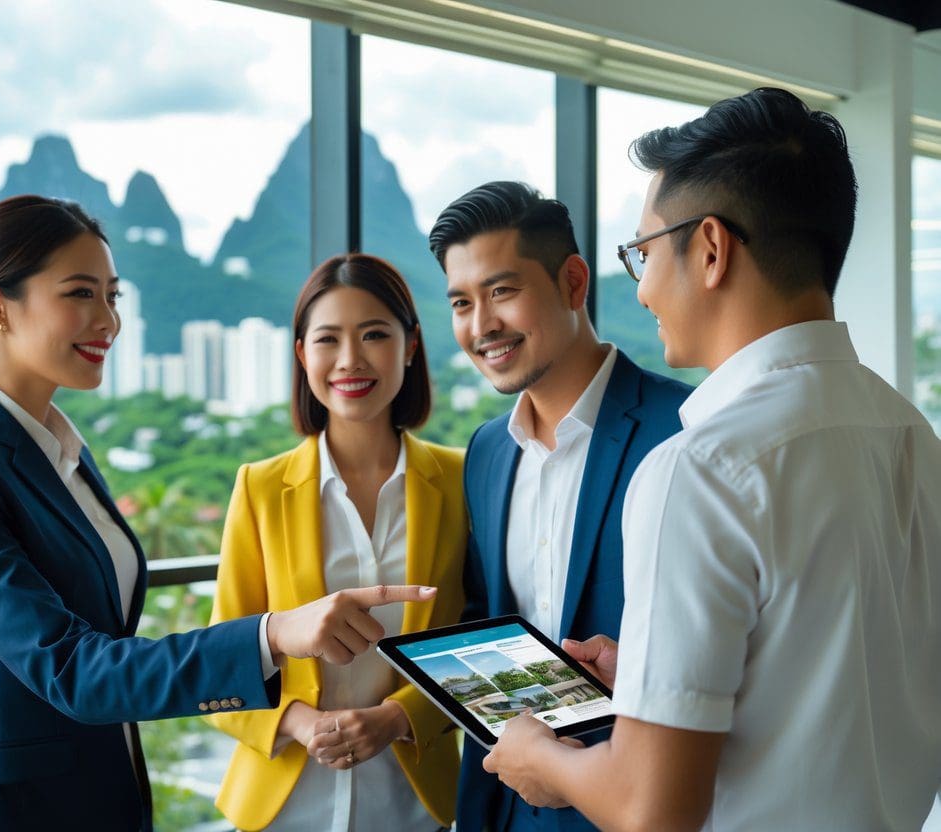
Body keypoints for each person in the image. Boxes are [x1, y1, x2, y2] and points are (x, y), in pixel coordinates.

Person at [0, 196, 436, 832]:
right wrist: (275, 633)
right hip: (3, 814)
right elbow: (72, 667)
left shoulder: (63, 456)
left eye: (113, 296)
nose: (107, 320)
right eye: (81, 293)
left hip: (100, 801)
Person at [481, 87, 941, 832]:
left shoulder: (699, 467)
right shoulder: (911, 438)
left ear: (709, 249)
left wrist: (543, 760)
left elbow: (650, 810)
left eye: (642, 253)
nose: (645, 290)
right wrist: (654, 676)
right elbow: (841, 684)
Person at [427, 181, 691, 832]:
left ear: (572, 282)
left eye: (501, 292)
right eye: (461, 302)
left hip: (637, 803)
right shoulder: (486, 451)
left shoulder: (683, 432)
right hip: (507, 804)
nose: (479, 325)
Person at [206, 253, 468, 831]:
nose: (351, 360)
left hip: (415, 806)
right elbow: (220, 661)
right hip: (283, 808)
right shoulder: (260, 488)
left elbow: (485, 639)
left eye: (375, 334)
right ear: (303, 355)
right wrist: (298, 722)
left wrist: (399, 718)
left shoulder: (462, 480)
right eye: (328, 339)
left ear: (411, 345)